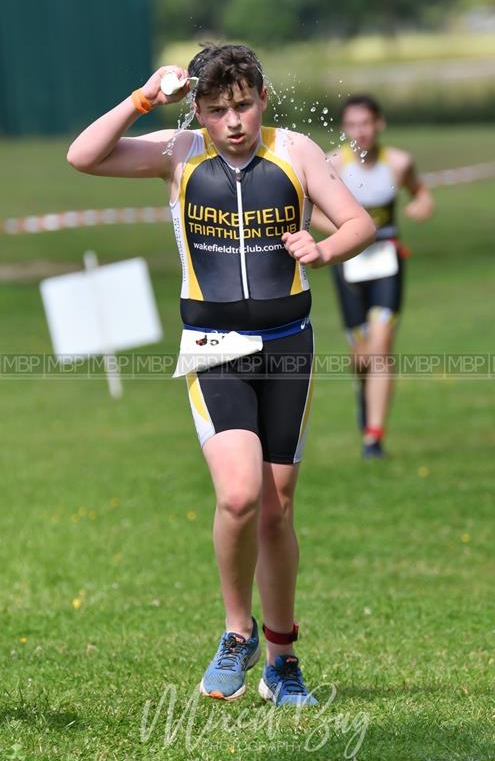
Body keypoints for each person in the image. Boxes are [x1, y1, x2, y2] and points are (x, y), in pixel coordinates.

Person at [67, 44, 375, 706]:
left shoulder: (294, 151)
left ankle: (282, 659)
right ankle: (238, 633)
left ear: (261, 97)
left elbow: (359, 222)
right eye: (215, 110)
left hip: (288, 345)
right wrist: (144, 99)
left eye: (242, 105)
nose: (232, 121)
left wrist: (320, 249)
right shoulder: (176, 155)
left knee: (276, 509)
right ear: (197, 111)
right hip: (214, 345)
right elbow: (83, 156)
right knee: (239, 497)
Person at [312, 94, 434, 459]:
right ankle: (364, 396)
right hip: (349, 264)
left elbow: (420, 190)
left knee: (381, 346)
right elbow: (312, 209)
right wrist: (345, 234)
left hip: (387, 261)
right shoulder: (333, 163)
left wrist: (421, 203)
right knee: (361, 353)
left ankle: (373, 438)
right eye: (352, 125)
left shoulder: (397, 162)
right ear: (344, 128)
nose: (360, 131)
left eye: (366, 123)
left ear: (379, 124)